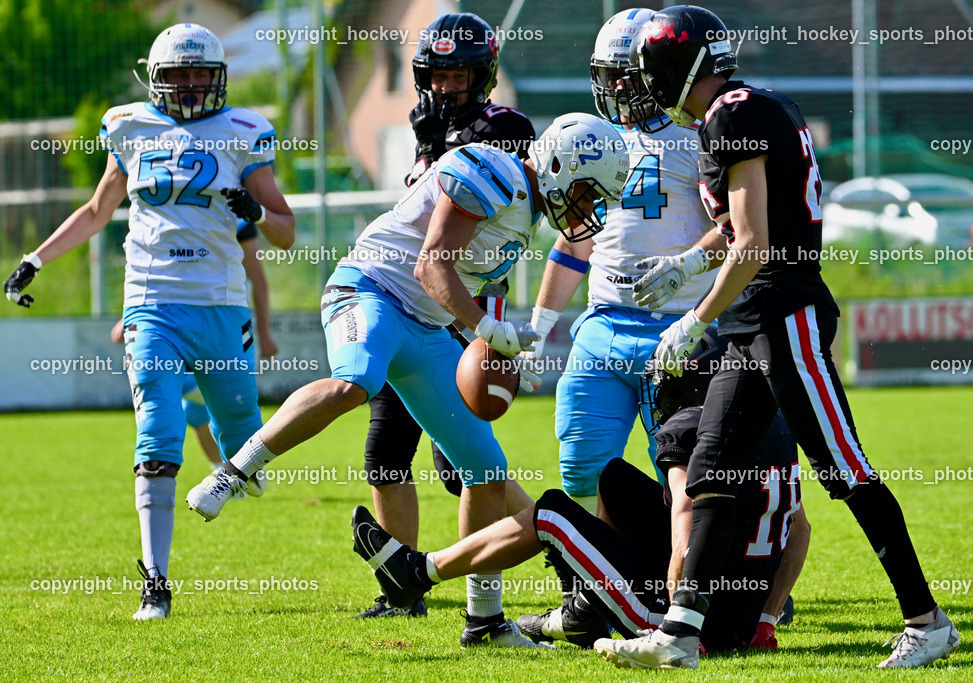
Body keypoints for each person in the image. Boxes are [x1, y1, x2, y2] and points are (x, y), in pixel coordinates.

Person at [592, 6, 959, 669]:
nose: (646, 87)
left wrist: (692, 317)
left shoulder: (731, 115)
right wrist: (689, 263)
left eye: (652, 72)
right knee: (711, 470)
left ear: (677, 68)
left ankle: (927, 620)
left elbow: (757, 244)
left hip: (783, 314)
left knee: (843, 467)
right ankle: (679, 632)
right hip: (752, 320)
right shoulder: (747, 107)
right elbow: (743, 226)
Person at [185, 113, 630, 647]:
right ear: (559, 165)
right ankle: (233, 471)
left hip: (427, 329)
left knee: (485, 468)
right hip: (370, 290)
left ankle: (484, 621)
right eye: (585, 193)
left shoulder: (527, 207)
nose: (586, 209)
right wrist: (489, 329)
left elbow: (462, 282)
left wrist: (511, 340)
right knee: (356, 381)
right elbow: (431, 265)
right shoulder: (494, 171)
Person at [3, 23, 295, 621]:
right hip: (151, 303)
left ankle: (239, 465)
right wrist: (35, 259)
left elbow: (287, 233)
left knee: (241, 425)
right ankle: (155, 585)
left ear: (217, 78)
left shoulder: (245, 133)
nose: (189, 86)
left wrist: (256, 208)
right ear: (155, 80)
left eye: (199, 74)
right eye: (178, 75)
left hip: (219, 304)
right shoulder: (129, 126)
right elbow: (95, 211)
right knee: (157, 430)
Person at [347, 335, 804, 655]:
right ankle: (588, 606)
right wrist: (764, 620)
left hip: (690, 620)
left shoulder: (691, 427)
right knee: (615, 479)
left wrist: (677, 625)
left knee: (551, 514)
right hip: (735, 614)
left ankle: (419, 572)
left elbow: (684, 533)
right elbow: (798, 531)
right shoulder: (777, 428)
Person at [355, 12, 536, 619]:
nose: (448, 86)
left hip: (467, 313)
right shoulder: (431, 128)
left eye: (460, 74)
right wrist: (430, 144)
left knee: (467, 470)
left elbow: (469, 195)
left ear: (483, 76)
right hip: (410, 303)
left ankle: (561, 549)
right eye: (439, 74)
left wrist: (437, 145)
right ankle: (399, 590)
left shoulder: (505, 126)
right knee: (385, 453)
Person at [523, 7, 717, 516]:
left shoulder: (702, 136)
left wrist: (690, 267)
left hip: (682, 328)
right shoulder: (591, 136)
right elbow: (574, 240)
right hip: (604, 323)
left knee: (684, 473)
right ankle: (595, 588)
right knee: (581, 469)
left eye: (623, 76)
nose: (613, 88)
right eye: (606, 76)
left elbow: (741, 225)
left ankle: (692, 585)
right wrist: (539, 330)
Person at [109, 219, 281, 478]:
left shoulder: (238, 219)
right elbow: (158, 275)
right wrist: (134, 317)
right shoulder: (167, 215)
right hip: (171, 322)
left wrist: (265, 332)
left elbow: (258, 279)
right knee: (193, 409)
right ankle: (224, 476)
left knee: (216, 406)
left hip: (222, 324)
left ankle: (240, 469)